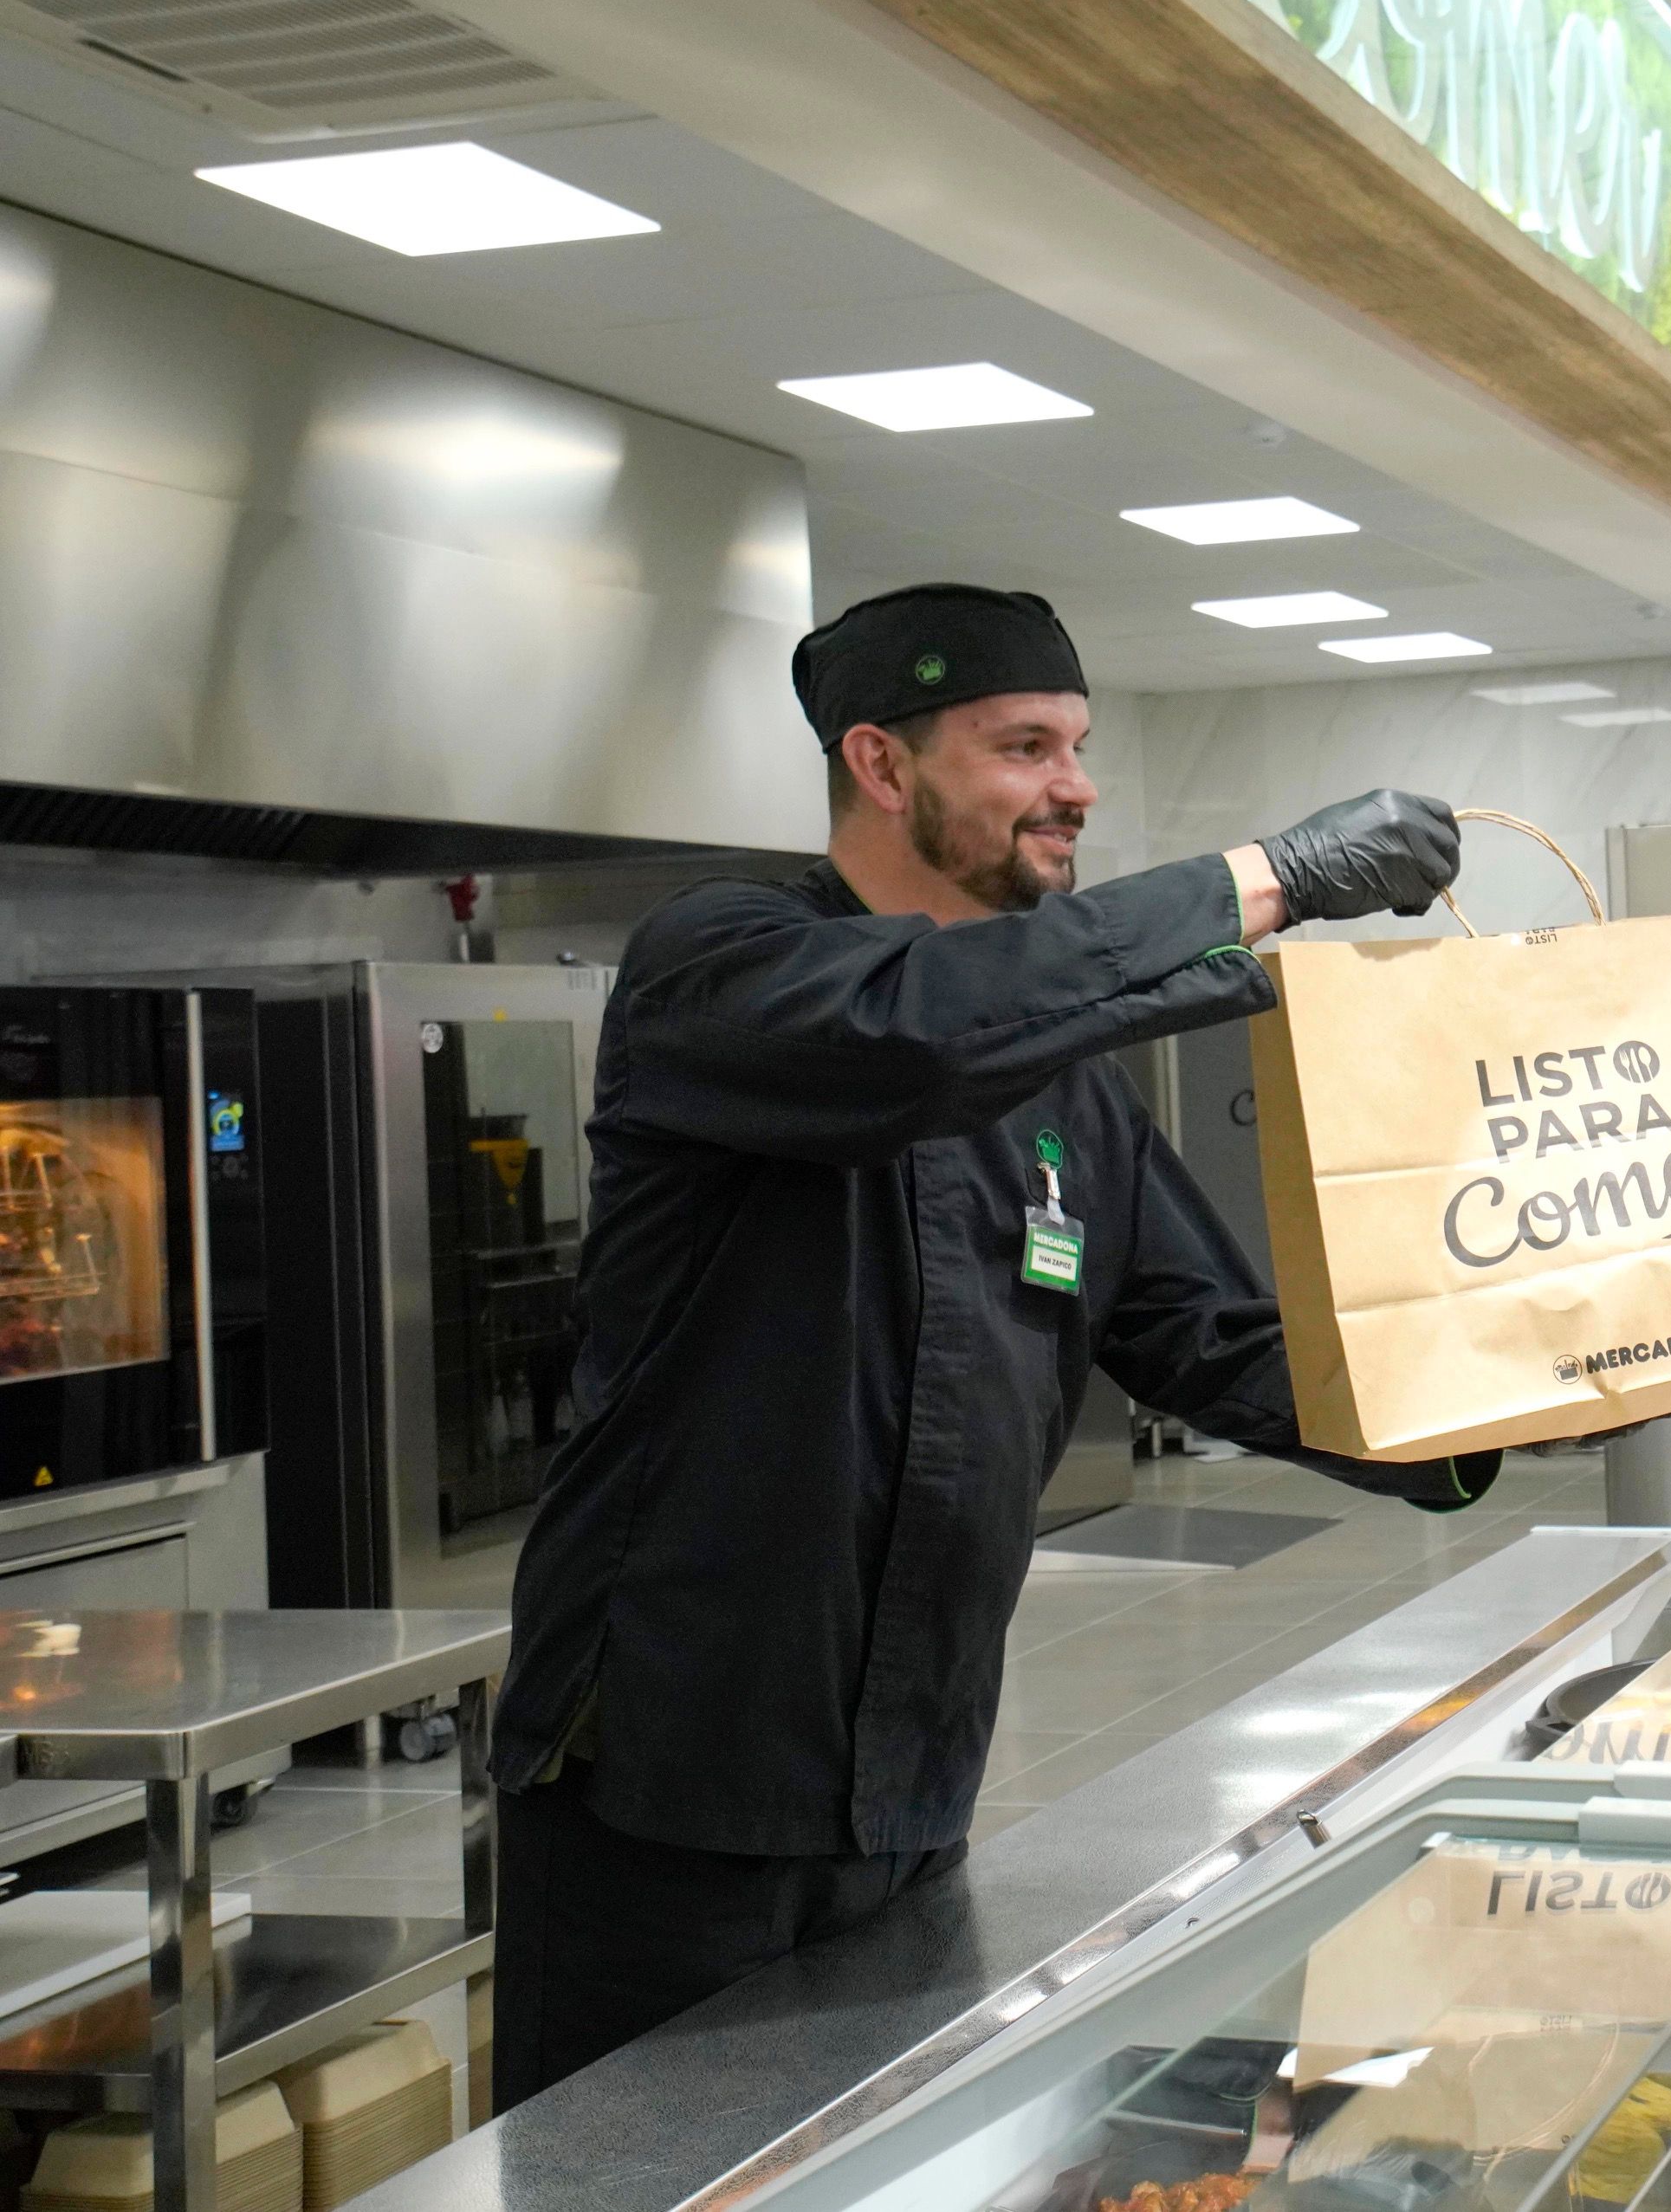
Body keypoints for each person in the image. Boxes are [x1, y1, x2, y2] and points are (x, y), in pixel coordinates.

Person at [487, 582, 1486, 2105]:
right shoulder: (723, 965)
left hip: (914, 1777)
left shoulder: (1070, 1080)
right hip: (668, 1787)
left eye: (1078, 748)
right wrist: (1262, 879)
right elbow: (914, 1036)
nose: (1074, 787)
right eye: (1024, 746)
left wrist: (1542, 1389)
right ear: (882, 767)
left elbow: (1217, 1345)